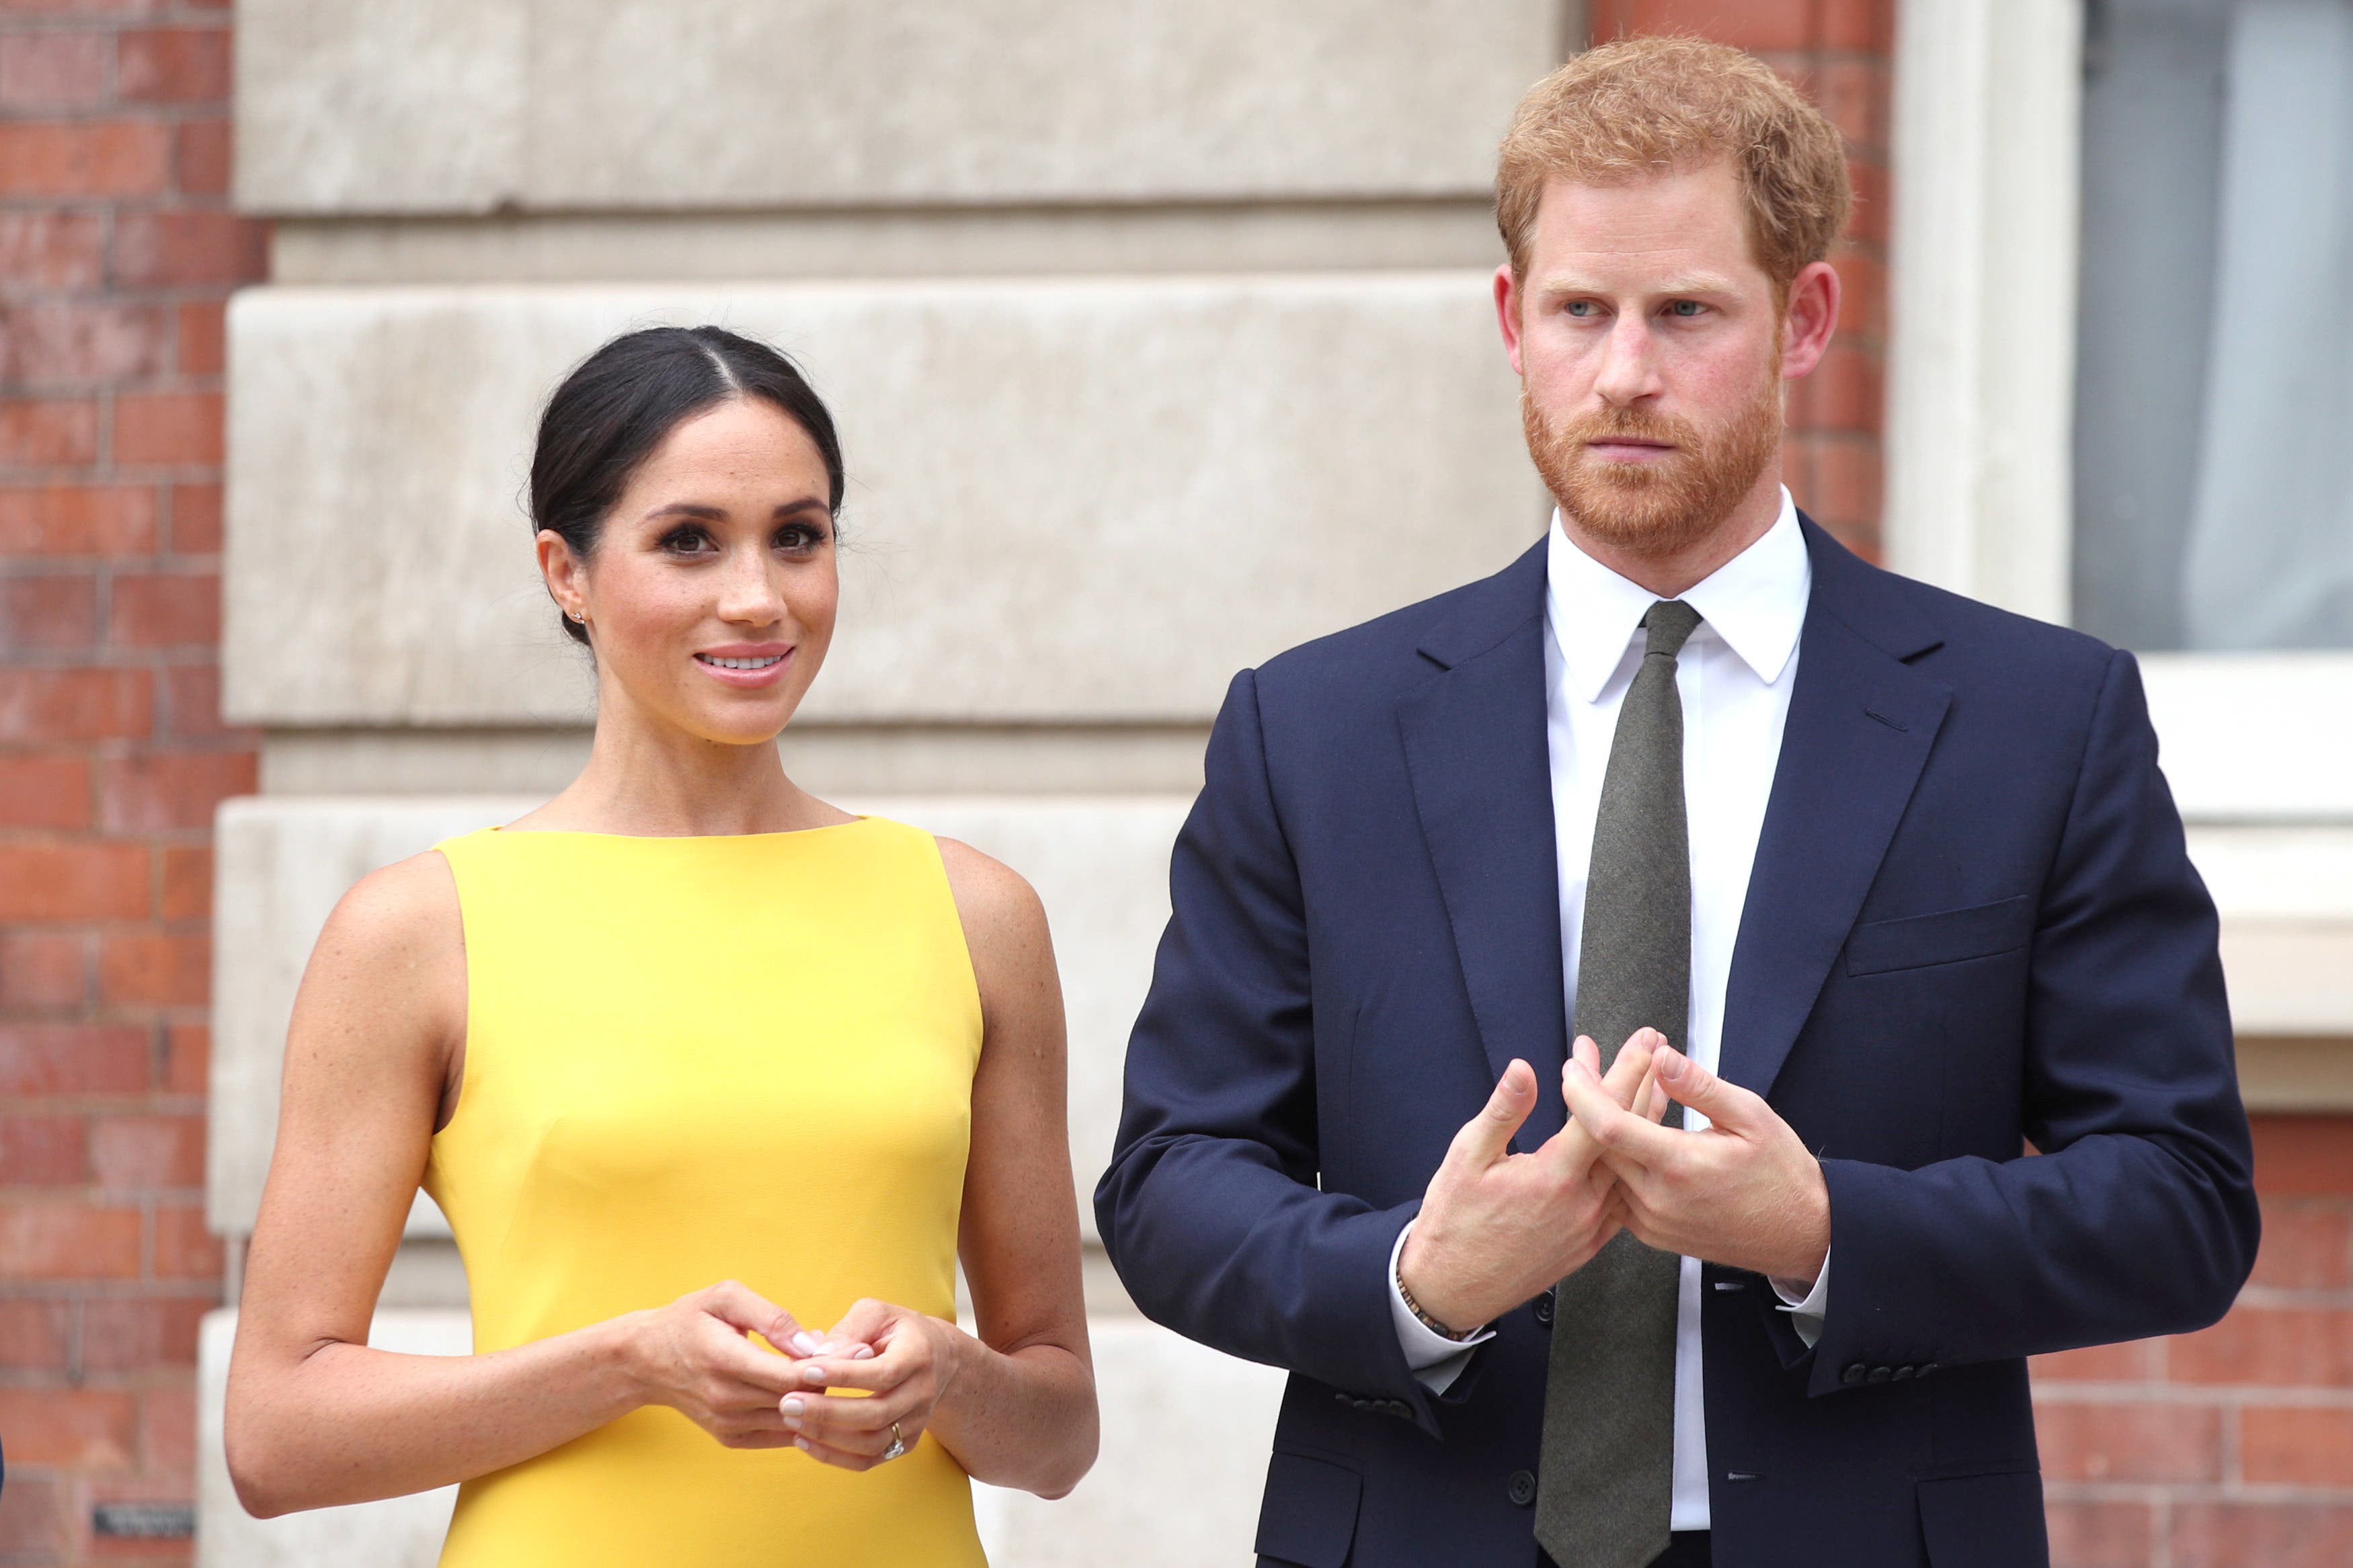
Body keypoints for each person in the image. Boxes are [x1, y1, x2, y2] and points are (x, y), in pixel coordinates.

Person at [1096, 37, 2258, 1568]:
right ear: (1513, 324)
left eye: (1687, 313)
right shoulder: (1312, 728)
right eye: (1580, 311)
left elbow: (2178, 1200)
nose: (1624, 372)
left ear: (1805, 320)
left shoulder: (2035, 721)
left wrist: (1827, 1230)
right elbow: (1171, 1183)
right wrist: (1414, 1276)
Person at [225, 325, 1097, 1566]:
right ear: (565, 572)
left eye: (798, 534)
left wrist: (946, 1377)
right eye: (689, 539)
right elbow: (273, 1435)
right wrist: (627, 1362)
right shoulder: (421, 931)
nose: (759, 594)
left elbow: (1059, 1433)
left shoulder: (976, 916)